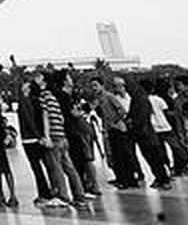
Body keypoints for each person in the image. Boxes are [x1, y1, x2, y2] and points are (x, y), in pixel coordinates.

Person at [38, 71, 88, 207]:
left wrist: (47, 136)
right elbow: (61, 117)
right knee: (70, 168)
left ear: (44, 81)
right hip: (62, 136)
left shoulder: (44, 95)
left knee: (56, 168)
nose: (36, 79)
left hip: (54, 137)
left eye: (39, 77)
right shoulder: (54, 97)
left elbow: (45, 115)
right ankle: (79, 196)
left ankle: (62, 196)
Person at [93, 76, 140, 188]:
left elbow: (122, 110)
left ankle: (128, 180)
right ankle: (120, 178)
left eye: (95, 85)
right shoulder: (98, 99)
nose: (93, 88)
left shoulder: (109, 96)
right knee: (115, 156)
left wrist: (114, 121)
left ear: (102, 85)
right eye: (92, 86)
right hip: (110, 130)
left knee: (122, 156)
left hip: (118, 129)